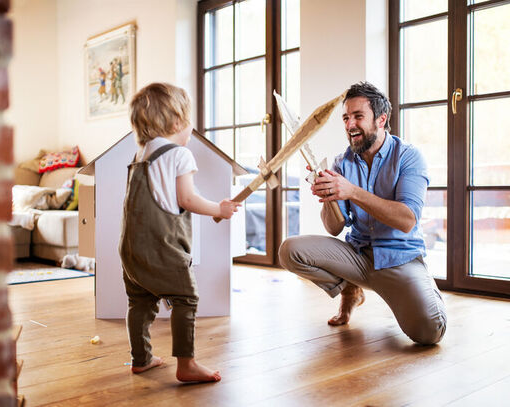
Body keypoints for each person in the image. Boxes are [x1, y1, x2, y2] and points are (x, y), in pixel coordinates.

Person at [279, 82, 447, 345]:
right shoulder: (342, 162)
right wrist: (329, 197)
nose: (349, 125)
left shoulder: (409, 157)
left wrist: (351, 191)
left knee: (430, 333)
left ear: (381, 120)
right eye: (346, 118)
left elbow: (406, 220)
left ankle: (423, 289)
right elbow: (335, 228)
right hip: (357, 256)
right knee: (290, 250)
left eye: (358, 116)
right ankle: (350, 289)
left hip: (398, 259)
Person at [119, 82, 241, 382]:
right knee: (186, 298)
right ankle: (186, 365)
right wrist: (218, 209)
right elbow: (187, 198)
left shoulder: (141, 155)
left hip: (131, 249)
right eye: (189, 122)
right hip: (162, 247)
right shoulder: (179, 155)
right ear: (177, 123)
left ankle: (141, 358)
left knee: (139, 302)